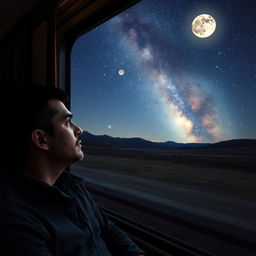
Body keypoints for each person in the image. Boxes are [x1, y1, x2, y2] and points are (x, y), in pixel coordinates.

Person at [0, 85, 146, 256]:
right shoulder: (13, 216)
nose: (79, 130)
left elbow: (105, 227)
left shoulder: (73, 186)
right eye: (67, 122)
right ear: (41, 139)